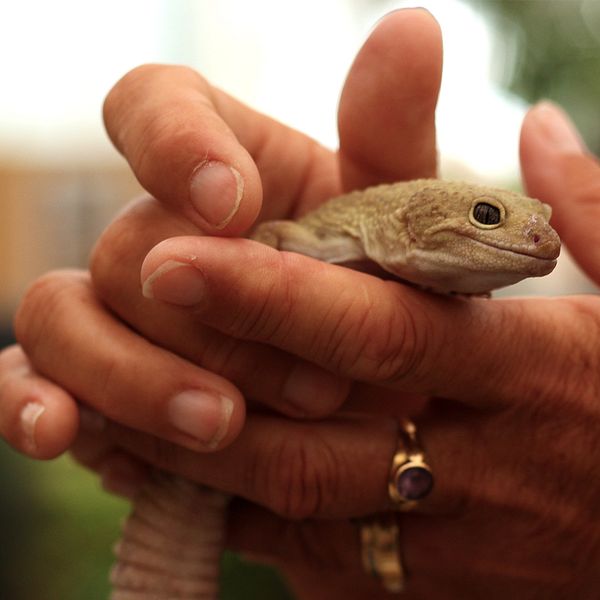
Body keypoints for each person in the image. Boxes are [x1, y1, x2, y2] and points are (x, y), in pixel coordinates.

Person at [1, 8, 600, 598]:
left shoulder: (411, 281)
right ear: (414, 222)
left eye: (536, 222)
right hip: (198, 469)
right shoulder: (309, 239)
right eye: (488, 217)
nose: (540, 241)